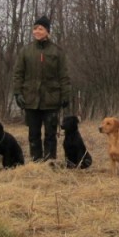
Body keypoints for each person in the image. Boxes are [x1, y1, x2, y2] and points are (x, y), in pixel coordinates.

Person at [12, 15, 71, 162]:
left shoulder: (57, 52)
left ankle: (50, 161)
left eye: (40, 28)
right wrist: (17, 92)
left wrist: (65, 95)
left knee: (50, 134)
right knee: (33, 133)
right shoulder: (25, 51)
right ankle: (36, 161)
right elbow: (18, 73)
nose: (37, 31)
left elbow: (64, 75)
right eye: (35, 28)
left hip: (51, 99)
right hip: (31, 98)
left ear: (47, 31)